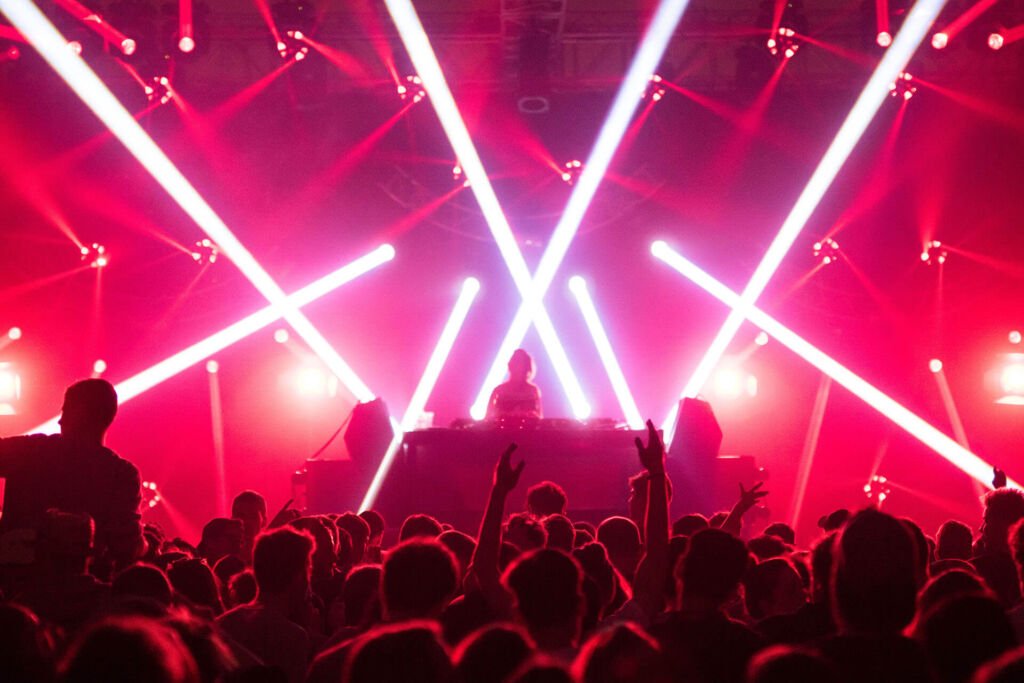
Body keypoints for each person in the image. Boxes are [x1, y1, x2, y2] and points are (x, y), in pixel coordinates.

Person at [0, 378, 142, 575]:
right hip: (86, 587)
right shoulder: (122, 474)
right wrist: (147, 546)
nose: (60, 420)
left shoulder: (29, 451)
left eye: (65, 411)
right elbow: (126, 545)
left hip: (16, 584)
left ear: (78, 413)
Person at [486, 349, 542, 420]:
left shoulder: (533, 391)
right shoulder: (499, 391)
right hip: (504, 427)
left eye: (520, 364)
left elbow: (539, 417)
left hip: (526, 427)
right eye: (516, 363)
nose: (517, 367)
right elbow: (488, 417)